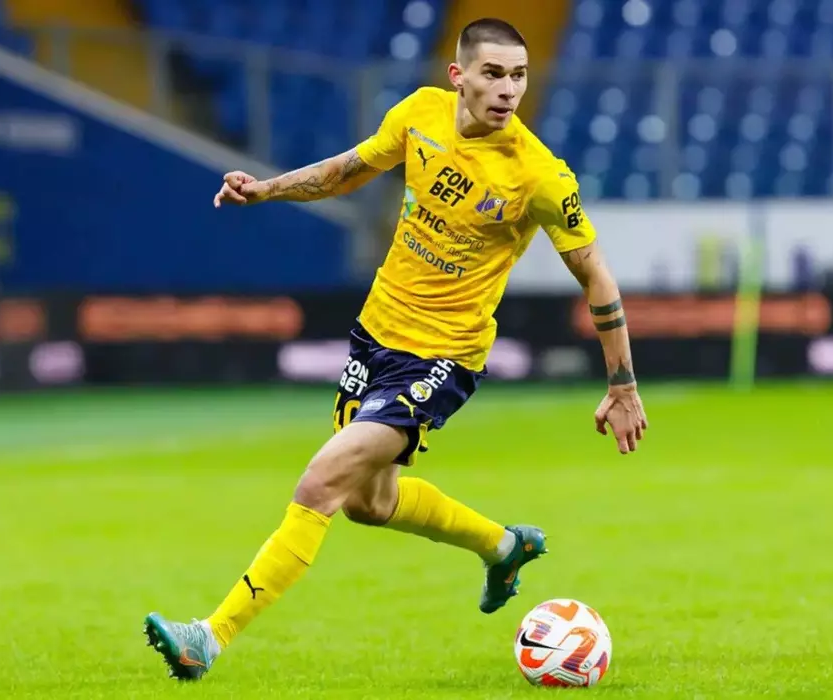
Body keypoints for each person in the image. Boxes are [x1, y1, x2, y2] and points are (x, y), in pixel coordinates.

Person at [144, 17, 648, 682]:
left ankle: (209, 636)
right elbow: (348, 171)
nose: (508, 90)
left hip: (443, 358)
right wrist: (267, 189)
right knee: (369, 503)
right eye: (493, 74)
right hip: (375, 334)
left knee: (321, 481)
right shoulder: (419, 114)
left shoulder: (539, 175)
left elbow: (597, 277)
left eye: (519, 76)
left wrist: (622, 385)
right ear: (459, 76)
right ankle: (503, 546)